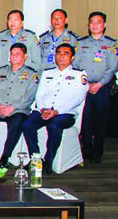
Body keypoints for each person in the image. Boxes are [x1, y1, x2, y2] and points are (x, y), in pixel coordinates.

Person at [22, 44, 88, 173]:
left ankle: (49, 160)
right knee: (27, 124)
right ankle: (36, 158)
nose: (61, 56)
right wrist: (42, 109)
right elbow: (39, 94)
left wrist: (57, 111)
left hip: (65, 113)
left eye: (65, 53)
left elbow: (78, 98)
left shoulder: (79, 75)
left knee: (54, 126)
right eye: (58, 53)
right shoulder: (47, 73)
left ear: (72, 57)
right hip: (44, 110)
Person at [0, 43, 38, 167]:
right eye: (12, 53)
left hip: (18, 110)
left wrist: (13, 107)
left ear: (25, 56)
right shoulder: (0, 72)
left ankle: (5, 155)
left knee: (17, 122)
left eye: (18, 54)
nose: (14, 56)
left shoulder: (31, 75)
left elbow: (30, 96)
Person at [75, 11, 118, 163]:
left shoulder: (111, 44)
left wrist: (99, 84)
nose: (95, 25)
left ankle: (98, 152)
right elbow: (76, 65)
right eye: (92, 22)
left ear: (104, 24)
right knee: (85, 119)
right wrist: (87, 84)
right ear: (88, 24)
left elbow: (112, 68)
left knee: (100, 120)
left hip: (102, 87)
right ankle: (86, 149)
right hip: (84, 86)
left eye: (98, 22)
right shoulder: (81, 43)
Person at [0, 10, 40, 74]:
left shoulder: (30, 36)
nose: (12, 22)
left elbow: (36, 60)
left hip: (23, 74)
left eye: (16, 20)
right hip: (3, 74)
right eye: (10, 20)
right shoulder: (0, 37)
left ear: (22, 22)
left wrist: (31, 75)